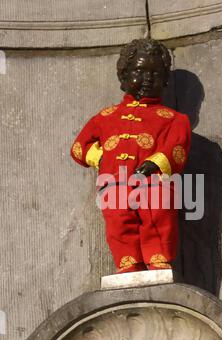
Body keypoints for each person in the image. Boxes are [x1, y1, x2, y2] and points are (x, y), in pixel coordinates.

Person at [70, 39, 191, 273]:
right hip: (114, 183)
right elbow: (78, 147)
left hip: (155, 182)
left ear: (165, 79)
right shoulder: (105, 117)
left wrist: (155, 163)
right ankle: (128, 263)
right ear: (123, 76)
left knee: (158, 215)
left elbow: (177, 147)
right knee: (118, 219)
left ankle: (158, 258)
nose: (147, 79)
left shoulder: (175, 119)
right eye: (139, 71)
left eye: (155, 73)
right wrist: (100, 157)